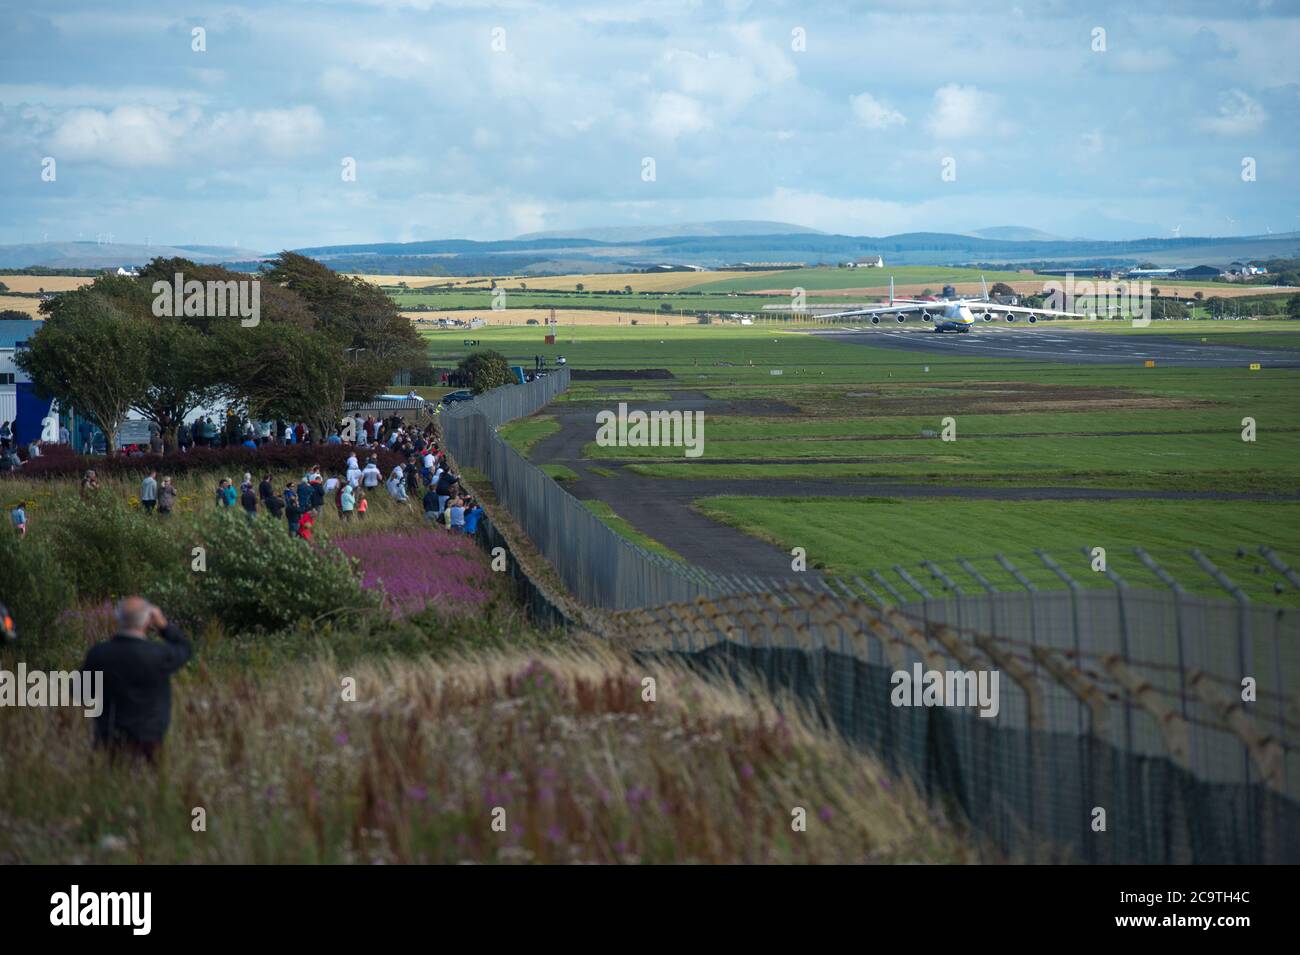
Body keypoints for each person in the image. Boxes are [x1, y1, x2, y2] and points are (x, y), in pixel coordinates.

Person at [81, 597, 192, 765]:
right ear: (148, 620)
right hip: (149, 739)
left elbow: (80, 693)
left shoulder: (98, 654)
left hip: (109, 738)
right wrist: (164, 626)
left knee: (106, 785)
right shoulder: (158, 655)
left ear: (118, 619)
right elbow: (185, 648)